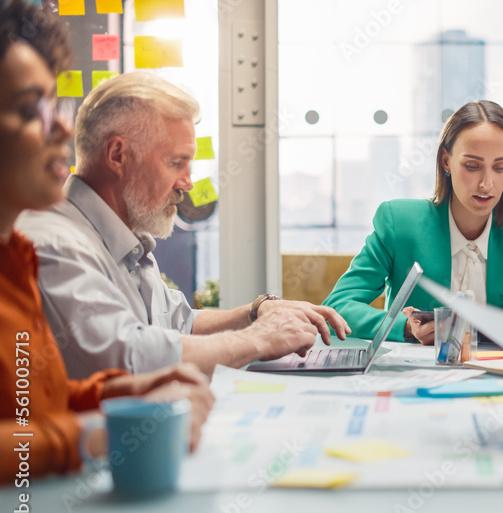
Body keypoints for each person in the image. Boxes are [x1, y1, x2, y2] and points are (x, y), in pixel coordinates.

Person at [17, 72, 351, 380]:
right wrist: (259, 339)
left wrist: (256, 312)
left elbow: (180, 324)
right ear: (118, 155)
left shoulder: (127, 237)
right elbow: (124, 356)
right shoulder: (55, 243)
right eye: (176, 163)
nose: (188, 183)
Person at [1, 0, 213, 481]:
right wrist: (101, 433)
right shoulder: (46, 239)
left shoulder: (15, 257)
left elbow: (42, 398)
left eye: (53, 105)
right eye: (27, 108)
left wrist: (131, 392)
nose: (59, 126)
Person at [324, 100, 503, 343]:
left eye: (500, 167)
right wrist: (405, 327)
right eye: (472, 166)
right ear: (446, 161)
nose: (487, 184)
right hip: (416, 383)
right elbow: (338, 305)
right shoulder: (399, 224)